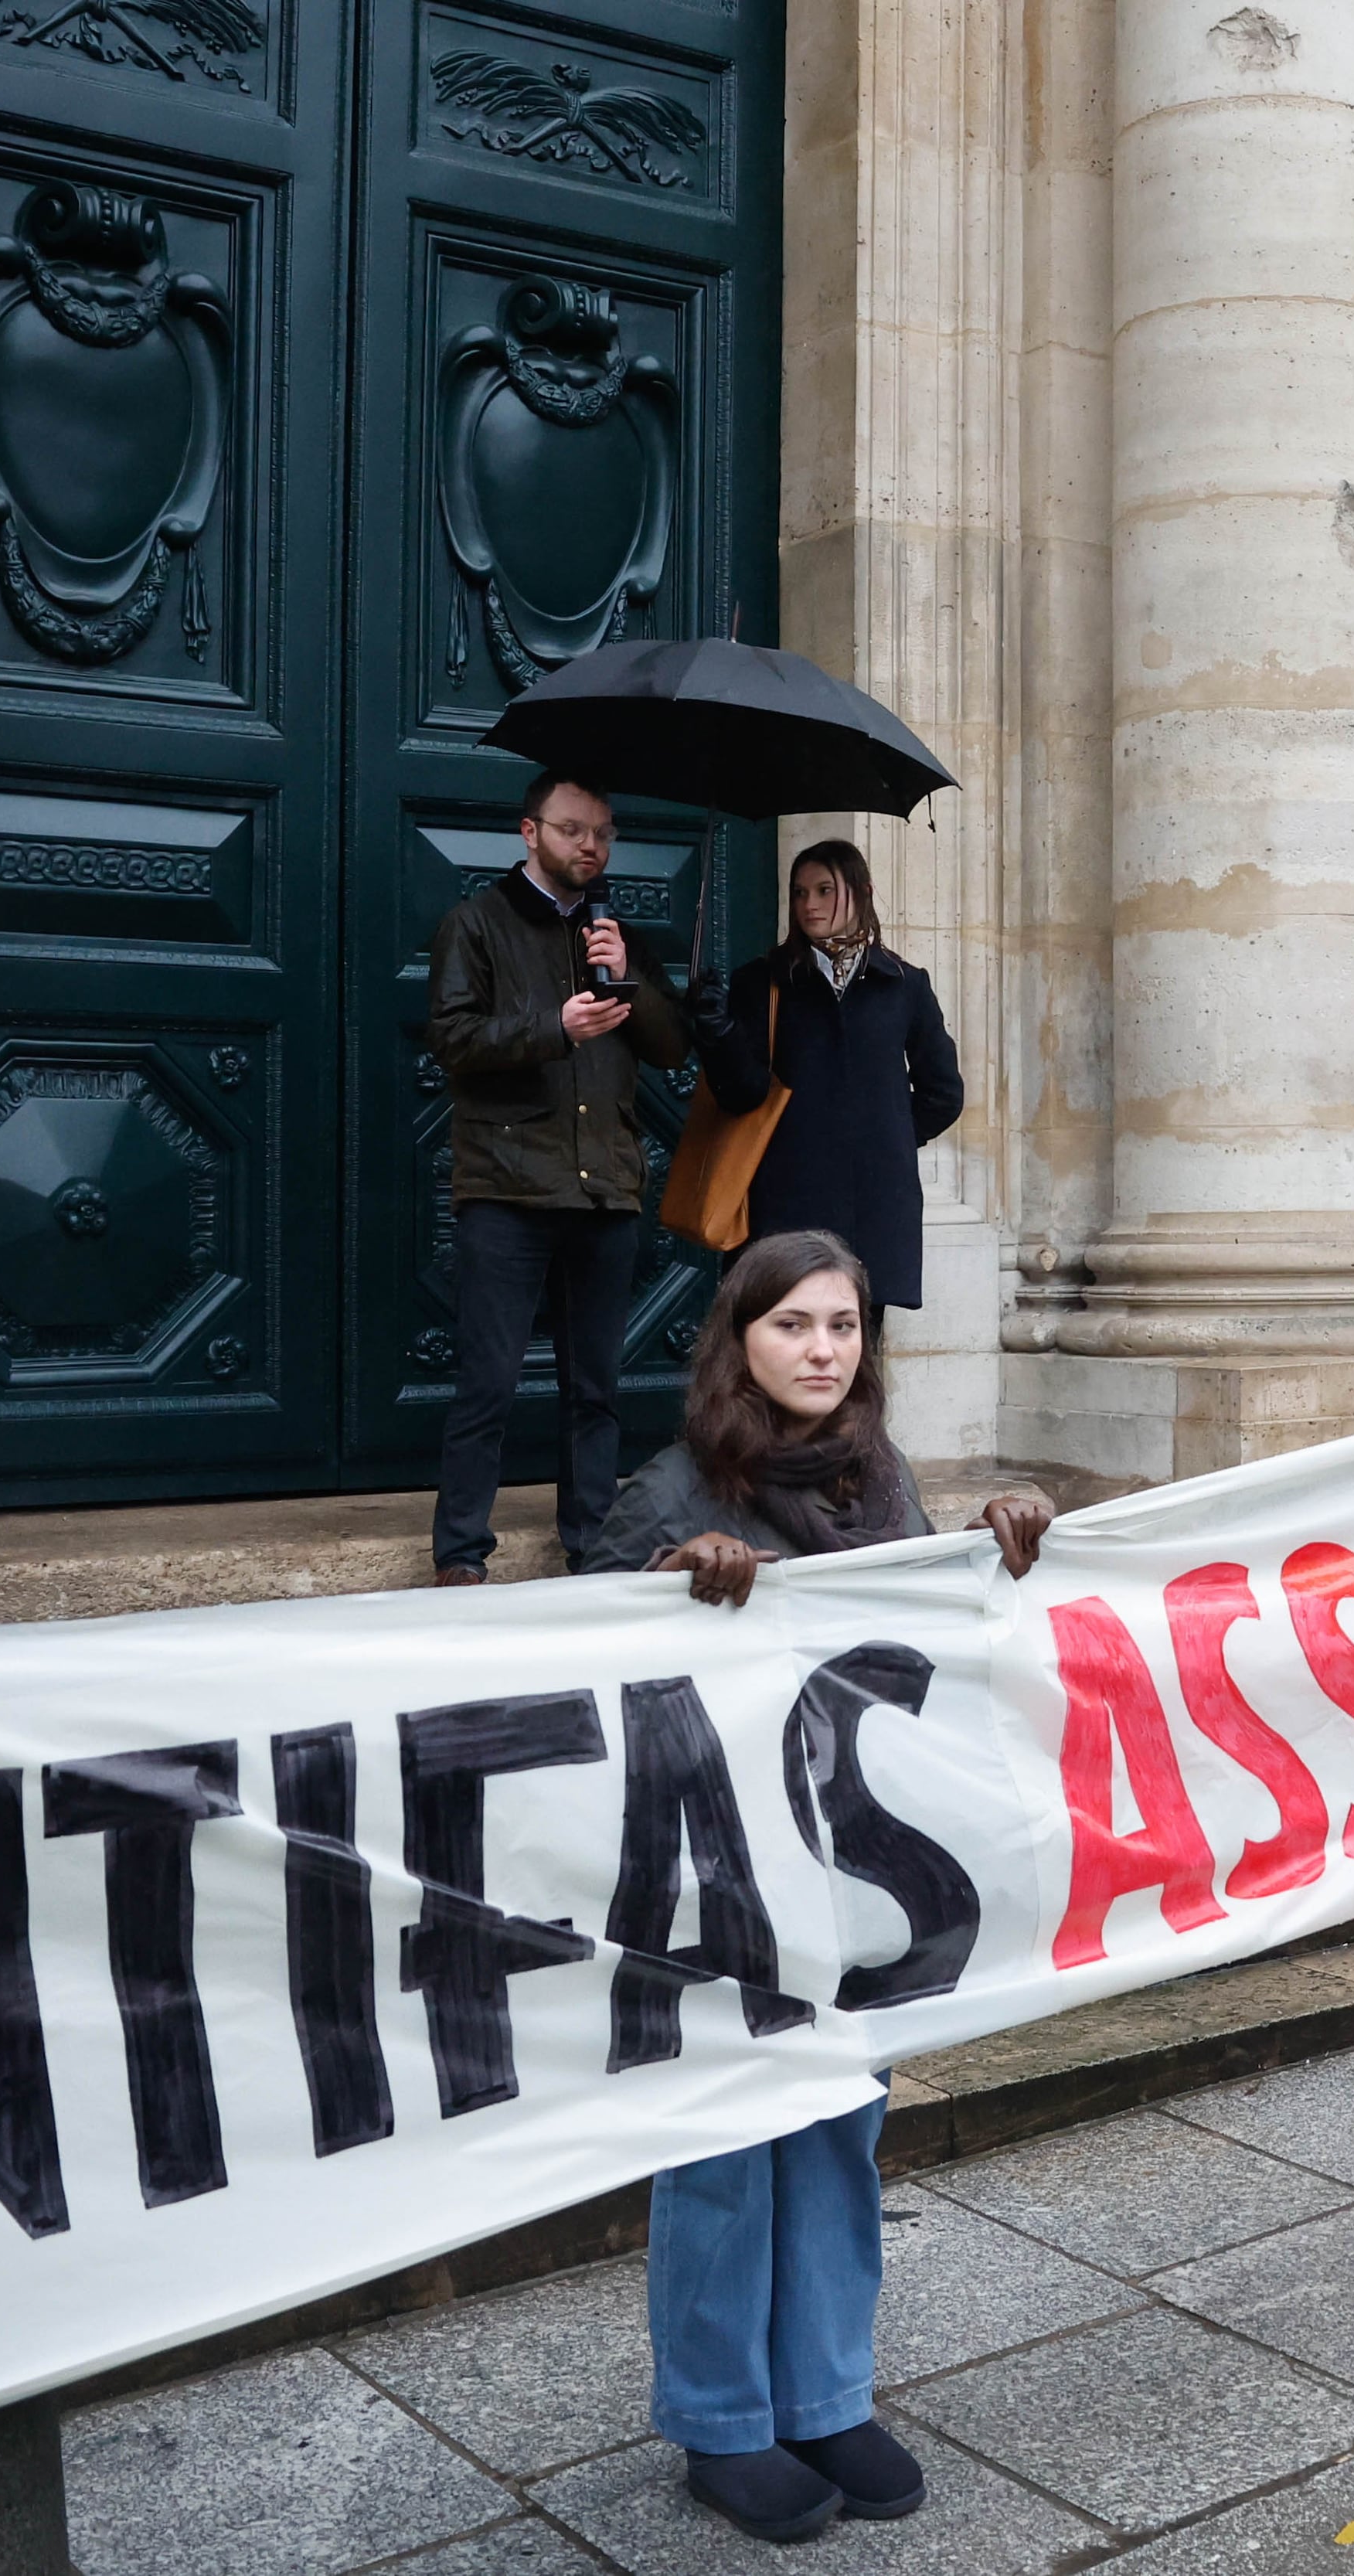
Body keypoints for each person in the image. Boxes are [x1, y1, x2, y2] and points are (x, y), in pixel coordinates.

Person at [592, 1234, 1048, 2544]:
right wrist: (671, 1590)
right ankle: (725, 2419)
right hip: (718, 1893)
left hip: (853, 1879)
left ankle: (827, 2389)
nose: (823, 1347)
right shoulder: (669, 1490)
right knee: (728, 2145)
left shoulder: (878, 1476)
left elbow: (914, 1650)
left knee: (840, 2129)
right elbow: (581, 1687)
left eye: (844, 1324)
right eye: (793, 1323)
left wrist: (992, 1552)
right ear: (739, 1336)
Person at [425, 771, 693, 1585]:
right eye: (574, 830)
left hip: (604, 1190)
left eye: (603, 834)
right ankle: (462, 1555)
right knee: (488, 1384)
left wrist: (631, 978)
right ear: (529, 832)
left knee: (595, 1390)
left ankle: (593, 1546)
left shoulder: (616, 932)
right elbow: (454, 1040)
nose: (591, 846)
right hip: (507, 1189)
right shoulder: (475, 924)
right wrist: (554, 1027)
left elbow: (672, 1047)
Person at [692, 839, 968, 1312]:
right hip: (783, 1198)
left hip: (873, 1204)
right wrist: (716, 1032)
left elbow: (943, 1093)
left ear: (862, 892)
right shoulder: (763, 981)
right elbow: (742, 1093)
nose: (810, 905)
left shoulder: (903, 984)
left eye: (824, 890)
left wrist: (888, 1136)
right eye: (799, 893)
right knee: (774, 1342)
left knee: (855, 1350)